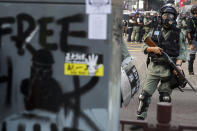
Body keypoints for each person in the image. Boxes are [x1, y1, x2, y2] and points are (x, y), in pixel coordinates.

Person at [136, 4, 187, 121]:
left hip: (168, 71)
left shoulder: (179, 33)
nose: (167, 18)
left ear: (175, 17)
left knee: (165, 98)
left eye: (170, 15)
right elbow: (144, 46)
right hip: (153, 69)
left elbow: (183, 52)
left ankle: (163, 123)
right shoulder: (154, 30)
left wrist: (178, 66)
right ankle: (140, 120)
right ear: (161, 17)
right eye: (165, 15)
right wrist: (152, 49)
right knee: (143, 97)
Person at [187, 5, 197, 75]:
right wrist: (190, 43)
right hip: (194, 40)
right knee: (192, 56)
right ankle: (190, 70)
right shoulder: (191, 20)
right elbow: (188, 32)